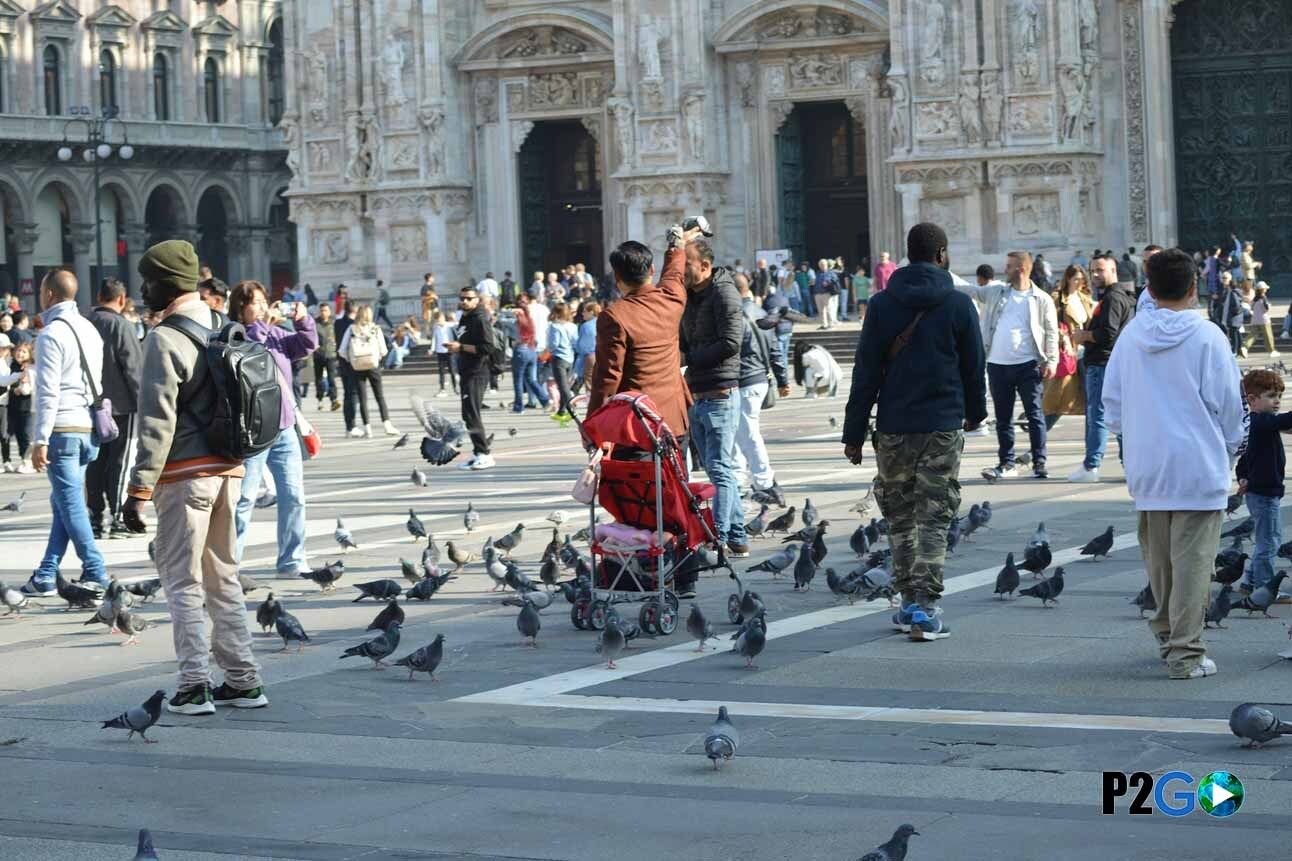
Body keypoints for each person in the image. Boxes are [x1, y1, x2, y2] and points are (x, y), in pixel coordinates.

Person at [123, 239, 267, 714]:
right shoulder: (225, 327)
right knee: (223, 576)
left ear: (164, 284)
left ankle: (193, 685)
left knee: (182, 581)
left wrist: (139, 488)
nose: (143, 291)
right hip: (230, 470)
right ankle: (244, 681)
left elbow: (155, 420)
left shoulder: (164, 338)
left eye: (147, 282)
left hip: (184, 477)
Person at [1103, 247, 1245, 680]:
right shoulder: (1208, 337)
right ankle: (1186, 653)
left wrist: (1139, 432)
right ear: (1193, 286)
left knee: (1160, 563)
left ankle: (1168, 637)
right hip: (1198, 466)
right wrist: (1234, 449)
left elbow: (1111, 404)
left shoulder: (1130, 336)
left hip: (1149, 467)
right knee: (1194, 563)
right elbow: (1227, 405)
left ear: (1149, 287)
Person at [842, 222, 987, 642]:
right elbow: (973, 368)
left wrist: (853, 432)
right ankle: (926, 606)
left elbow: (866, 371)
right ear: (941, 254)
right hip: (942, 425)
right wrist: (975, 412)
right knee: (936, 515)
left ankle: (908, 602)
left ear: (907, 254)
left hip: (893, 427)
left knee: (900, 515)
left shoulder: (883, 305)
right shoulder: (959, 305)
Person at [19, 270, 109, 597]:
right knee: (63, 503)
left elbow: (47, 392)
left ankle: (97, 571)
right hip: (88, 428)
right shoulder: (89, 329)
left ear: (49, 295)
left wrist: (39, 439)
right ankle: (45, 574)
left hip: (62, 430)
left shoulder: (50, 335)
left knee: (70, 505)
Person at [227, 281, 317, 579]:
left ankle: (292, 559)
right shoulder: (235, 334)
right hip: (252, 431)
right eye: (257, 302)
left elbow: (306, 345)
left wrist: (303, 319)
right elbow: (246, 350)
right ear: (241, 307)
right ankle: (230, 565)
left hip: (283, 427)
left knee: (294, 496)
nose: (265, 307)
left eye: (266, 301)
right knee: (243, 500)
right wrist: (264, 325)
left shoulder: (276, 334)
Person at [588, 226, 700, 444]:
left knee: (635, 478)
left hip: (636, 424)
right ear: (651, 270)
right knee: (674, 477)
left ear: (617, 276)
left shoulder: (614, 316)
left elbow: (608, 376)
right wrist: (677, 246)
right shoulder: (671, 299)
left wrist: (594, 423)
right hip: (674, 420)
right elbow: (674, 275)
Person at [957, 251, 1058, 480]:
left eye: (1009, 266)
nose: (1005, 269)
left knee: (1034, 415)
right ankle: (1007, 462)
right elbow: (971, 290)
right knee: (1003, 418)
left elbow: (1051, 332)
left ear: (1021, 269)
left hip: (1028, 364)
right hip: (997, 364)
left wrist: (1051, 361)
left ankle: (1039, 462)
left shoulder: (1041, 299)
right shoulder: (997, 292)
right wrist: (942, 274)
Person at [680, 238, 748, 557]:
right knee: (717, 468)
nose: (682, 270)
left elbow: (732, 342)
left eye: (687, 264)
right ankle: (737, 534)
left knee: (720, 468)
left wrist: (691, 358)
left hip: (720, 392)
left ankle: (717, 536)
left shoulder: (724, 292)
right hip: (698, 391)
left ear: (705, 266)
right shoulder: (690, 296)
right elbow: (683, 339)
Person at [1068, 254, 1135, 483]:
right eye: (1093, 270)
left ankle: (1091, 466)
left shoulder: (1113, 299)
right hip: (1112, 363)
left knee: (1098, 415)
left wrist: (1083, 335)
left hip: (1102, 363)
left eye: (1100, 270)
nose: (1095, 275)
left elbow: (1108, 333)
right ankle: (1130, 463)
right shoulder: (1118, 297)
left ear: (1113, 270)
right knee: (1118, 415)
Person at [87, 278, 144, 540]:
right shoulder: (121, 325)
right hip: (121, 404)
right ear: (121, 299)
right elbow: (133, 368)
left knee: (95, 462)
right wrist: (143, 402)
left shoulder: (85, 323)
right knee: (120, 463)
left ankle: (96, 517)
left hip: (91, 403)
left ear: (99, 296)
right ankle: (119, 517)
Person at [1236, 369, 1290, 600]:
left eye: (1279, 395)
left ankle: (1249, 583)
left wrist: (1243, 476)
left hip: (1261, 491)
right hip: (1265, 493)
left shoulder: (1256, 424)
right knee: (1269, 542)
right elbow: (1285, 421)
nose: (1277, 400)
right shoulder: (1261, 422)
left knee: (1265, 540)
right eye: (1271, 395)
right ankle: (1265, 588)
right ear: (1252, 399)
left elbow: (1244, 458)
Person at [734, 300, 790, 502]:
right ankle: (739, 478)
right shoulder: (762, 313)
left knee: (747, 433)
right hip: (759, 379)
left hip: (745, 379)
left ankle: (764, 481)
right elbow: (775, 349)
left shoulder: (735, 315)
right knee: (741, 432)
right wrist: (782, 379)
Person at [443, 286, 497, 470]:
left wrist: (461, 347)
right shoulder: (466, 318)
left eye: (468, 298)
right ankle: (477, 453)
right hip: (467, 370)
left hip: (478, 371)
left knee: (472, 414)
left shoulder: (480, 319)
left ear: (476, 300)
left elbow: (488, 347)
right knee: (467, 414)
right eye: (462, 298)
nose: (464, 301)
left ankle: (485, 454)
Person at [1042, 264, 1092, 431]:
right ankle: (1038, 439)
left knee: (1090, 401)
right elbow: (1047, 323)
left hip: (1085, 353)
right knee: (1059, 401)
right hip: (1067, 354)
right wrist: (1063, 337)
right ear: (1068, 279)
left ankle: (1092, 447)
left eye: (1081, 279)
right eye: (1075, 279)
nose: (1079, 282)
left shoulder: (1085, 298)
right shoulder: (1057, 298)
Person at [338, 304, 399, 437]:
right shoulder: (375, 329)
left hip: (357, 366)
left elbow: (342, 350)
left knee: (362, 398)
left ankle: (368, 428)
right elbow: (384, 350)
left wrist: (351, 360)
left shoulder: (351, 328)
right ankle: (387, 425)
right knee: (379, 396)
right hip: (373, 365)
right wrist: (377, 358)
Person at [511, 292, 552, 413]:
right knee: (532, 379)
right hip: (532, 350)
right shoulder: (530, 317)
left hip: (522, 350)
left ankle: (518, 407)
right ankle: (545, 401)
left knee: (518, 380)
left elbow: (521, 334)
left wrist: (517, 342)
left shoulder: (520, 316)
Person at [5, 340, 34, 472]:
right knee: (13, 434)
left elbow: (29, 387)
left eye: (24, 351)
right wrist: (14, 389)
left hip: (27, 407)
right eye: (18, 350)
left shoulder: (30, 367)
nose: (20, 353)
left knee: (25, 436)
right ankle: (18, 461)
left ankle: (28, 462)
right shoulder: (11, 365)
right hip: (12, 406)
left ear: (30, 354)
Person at [546, 301, 578, 419]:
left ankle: (571, 409)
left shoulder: (554, 326)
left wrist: (547, 349)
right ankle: (561, 410)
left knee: (562, 386)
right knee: (566, 385)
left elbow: (554, 344)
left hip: (559, 357)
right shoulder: (572, 326)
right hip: (570, 357)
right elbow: (575, 342)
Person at [313, 303, 342, 412]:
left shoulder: (333, 323)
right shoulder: (315, 324)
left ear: (329, 312)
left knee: (331, 378)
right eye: (322, 310)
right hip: (318, 355)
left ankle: (334, 400)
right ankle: (320, 400)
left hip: (331, 354)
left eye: (325, 310)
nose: (323, 312)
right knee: (319, 379)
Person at [572, 301, 599, 394]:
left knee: (589, 380)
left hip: (590, 355)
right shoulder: (601, 322)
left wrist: (577, 349)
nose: (582, 313)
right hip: (601, 354)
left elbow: (584, 345)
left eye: (584, 311)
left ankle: (590, 402)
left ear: (591, 312)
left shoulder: (586, 325)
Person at [431, 309, 457, 397]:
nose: (439, 322)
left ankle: (455, 388)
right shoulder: (436, 328)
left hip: (449, 351)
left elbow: (457, 327)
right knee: (441, 371)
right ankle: (442, 389)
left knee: (452, 371)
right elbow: (434, 339)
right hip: (440, 351)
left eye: (440, 319)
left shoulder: (449, 326)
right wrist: (432, 349)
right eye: (437, 320)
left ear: (443, 318)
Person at [1250, 282, 1278, 357]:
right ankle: (1271, 351)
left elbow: (1251, 307)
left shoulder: (1255, 299)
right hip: (1264, 320)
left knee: (1253, 335)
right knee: (1268, 336)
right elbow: (1266, 308)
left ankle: (1244, 347)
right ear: (1263, 290)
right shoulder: (1264, 297)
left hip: (1255, 319)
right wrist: (1269, 306)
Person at [813, 258, 841, 330]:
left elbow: (835, 279)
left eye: (823, 264)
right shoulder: (817, 273)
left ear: (826, 265)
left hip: (826, 293)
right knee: (821, 310)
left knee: (829, 309)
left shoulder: (830, 272)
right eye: (820, 265)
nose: (822, 266)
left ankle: (831, 324)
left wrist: (828, 282)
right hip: (817, 293)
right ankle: (823, 324)